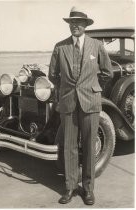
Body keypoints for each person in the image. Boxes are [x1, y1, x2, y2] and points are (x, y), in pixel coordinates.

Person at [49, 6, 113, 205]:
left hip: (91, 103)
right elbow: (53, 75)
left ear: (85, 25)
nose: (74, 25)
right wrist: (64, 91)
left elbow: (107, 72)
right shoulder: (60, 47)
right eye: (71, 22)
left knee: (88, 145)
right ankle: (69, 188)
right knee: (68, 147)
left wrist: (94, 88)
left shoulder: (97, 46)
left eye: (78, 22)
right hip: (68, 103)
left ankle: (88, 189)